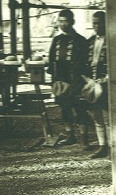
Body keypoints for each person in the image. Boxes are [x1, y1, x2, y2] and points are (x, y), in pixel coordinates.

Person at [46, 8, 91, 147]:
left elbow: (85, 62)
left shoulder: (80, 40)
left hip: (76, 79)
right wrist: (53, 80)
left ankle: (84, 137)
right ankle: (70, 134)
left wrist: (80, 80)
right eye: (60, 21)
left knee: (80, 108)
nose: (63, 24)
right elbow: (52, 59)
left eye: (66, 21)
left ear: (72, 22)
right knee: (64, 107)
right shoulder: (57, 40)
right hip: (60, 79)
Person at [82, 10, 110, 159]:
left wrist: (106, 79)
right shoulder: (90, 41)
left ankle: (112, 147)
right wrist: (87, 80)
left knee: (107, 117)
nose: (96, 26)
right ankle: (102, 146)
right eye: (94, 23)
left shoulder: (113, 41)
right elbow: (82, 63)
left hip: (106, 83)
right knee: (96, 116)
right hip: (92, 83)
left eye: (99, 23)